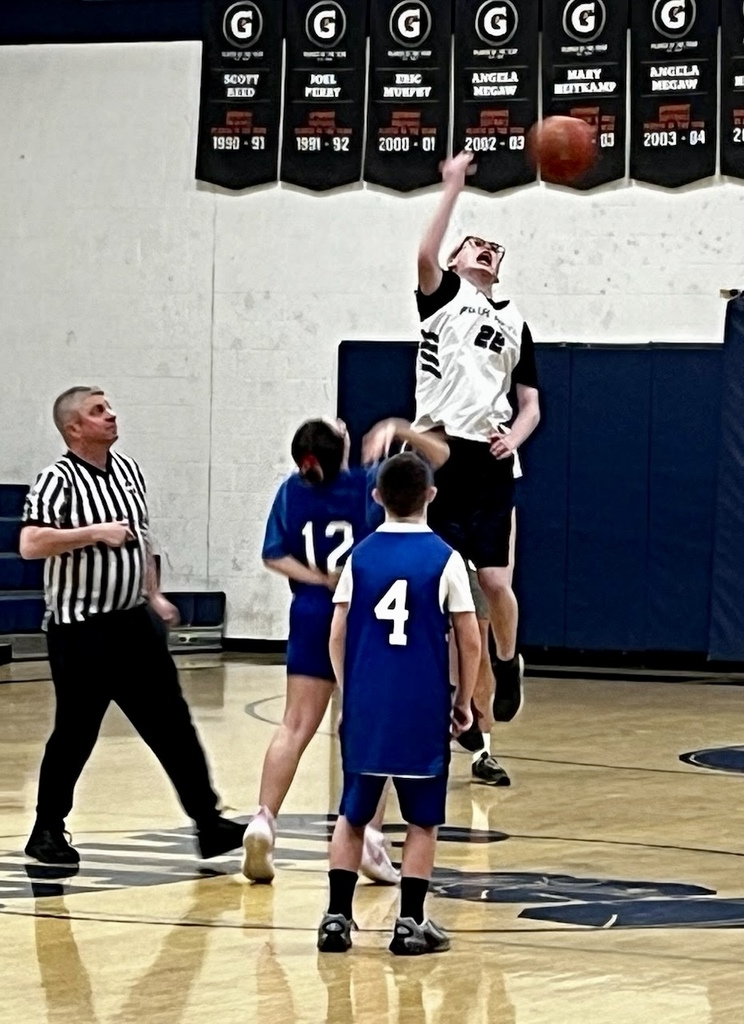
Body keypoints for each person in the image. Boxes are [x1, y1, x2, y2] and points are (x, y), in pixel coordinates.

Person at [365, 149, 540, 786]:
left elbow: (532, 403)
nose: (485, 249)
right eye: (473, 245)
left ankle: (511, 663)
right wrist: (452, 187)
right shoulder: (443, 299)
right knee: (446, 608)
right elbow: (424, 254)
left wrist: (515, 435)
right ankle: (468, 733)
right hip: (440, 454)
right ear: (456, 262)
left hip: (491, 461)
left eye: (493, 247)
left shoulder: (515, 320)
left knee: (494, 586)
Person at [20, 386, 244, 865]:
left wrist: (153, 594)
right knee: (76, 733)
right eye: (97, 411)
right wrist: (93, 533)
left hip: (133, 626)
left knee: (173, 725)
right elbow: (31, 543)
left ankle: (209, 822)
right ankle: (46, 830)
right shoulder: (56, 479)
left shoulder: (128, 472)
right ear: (73, 428)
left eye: (109, 407)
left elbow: (141, 539)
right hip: (81, 631)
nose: (111, 415)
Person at [244, 418, 451, 885]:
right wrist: (397, 430)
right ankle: (371, 838)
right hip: (362, 615)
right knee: (363, 730)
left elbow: (273, 555)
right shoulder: (366, 484)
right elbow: (438, 458)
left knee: (294, 725)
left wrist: (316, 580)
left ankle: (263, 819)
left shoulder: (290, 491)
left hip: (310, 612)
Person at [317, 452, 481, 955]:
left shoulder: (359, 557)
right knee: (422, 820)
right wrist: (465, 700)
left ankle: (336, 919)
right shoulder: (446, 558)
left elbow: (337, 633)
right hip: (421, 707)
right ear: (431, 495)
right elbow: (470, 640)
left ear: (376, 498)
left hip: (368, 708)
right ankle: (410, 922)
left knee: (352, 814)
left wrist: (350, 691)